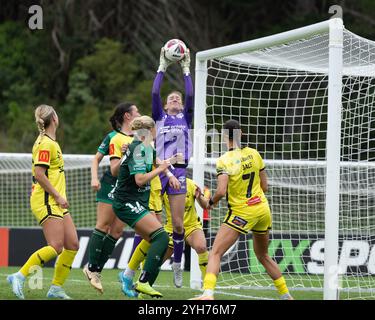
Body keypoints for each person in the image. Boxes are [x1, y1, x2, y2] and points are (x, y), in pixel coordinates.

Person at [192, 119, 293, 300]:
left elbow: (221, 191)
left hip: (242, 212)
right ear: (242, 133)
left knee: (215, 253)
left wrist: (210, 202)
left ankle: (207, 294)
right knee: (263, 255)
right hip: (262, 210)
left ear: (224, 136)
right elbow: (265, 186)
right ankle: (286, 296)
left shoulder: (224, 160)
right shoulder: (254, 154)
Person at [7, 104, 79, 299]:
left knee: (72, 244)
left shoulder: (50, 142)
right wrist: (57, 195)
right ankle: (19, 276)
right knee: (56, 246)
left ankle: (55, 289)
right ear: (54, 118)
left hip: (55, 201)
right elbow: (39, 174)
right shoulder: (46, 143)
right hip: (46, 200)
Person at [114, 116, 179, 298]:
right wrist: (162, 169)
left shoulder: (144, 146)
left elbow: (157, 160)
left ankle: (129, 276)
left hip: (136, 200)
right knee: (161, 238)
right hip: (127, 201)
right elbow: (140, 180)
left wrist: (167, 170)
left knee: (157, 238)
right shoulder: (139, 148)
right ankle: (143, 282)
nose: (157, 132)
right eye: (155, 129)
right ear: (149, 131)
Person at [83, 102, 140, 293]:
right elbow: (100, 161)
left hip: (128, 189)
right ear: (127, 116)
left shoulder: (140, 138)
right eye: (136, 111)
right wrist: (94, 178)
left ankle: (96, 270)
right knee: (103, 225)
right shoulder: (114, 137)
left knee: (116, 232)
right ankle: (92, 268)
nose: (139, 114)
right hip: (111, 185)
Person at [120, 178, 209, 296]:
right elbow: (155, 207)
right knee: (156, 262)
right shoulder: (164, 187)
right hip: (171, 229)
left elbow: (206, 206)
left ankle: (208, 289)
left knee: (201, 246)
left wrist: (200, 197)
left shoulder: (191, 184)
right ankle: (141, 289)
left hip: (192, 226)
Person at [152, 45, 194, 287]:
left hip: (178, 170)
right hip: (159, 171)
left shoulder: (185, 118)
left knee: (178, 224)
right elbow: (155, 93)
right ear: (166, 106)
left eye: (177, 97)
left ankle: (177, 265)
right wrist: (163, 67)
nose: (175, 98)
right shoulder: (160, 117)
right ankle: (143, 270)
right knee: (155, 226)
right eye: (171, 98)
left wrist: (186, 69)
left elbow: (190, 95)